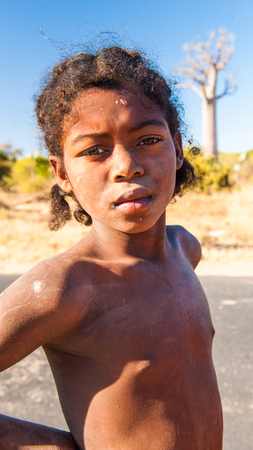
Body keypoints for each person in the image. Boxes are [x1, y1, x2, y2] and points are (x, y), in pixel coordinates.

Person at [0, 46, 223, 449]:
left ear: (176, 147)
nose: (126, 166)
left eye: (149, 139)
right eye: (94, 150)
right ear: (62, 173)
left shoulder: (185, 249)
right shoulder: (64, 288)